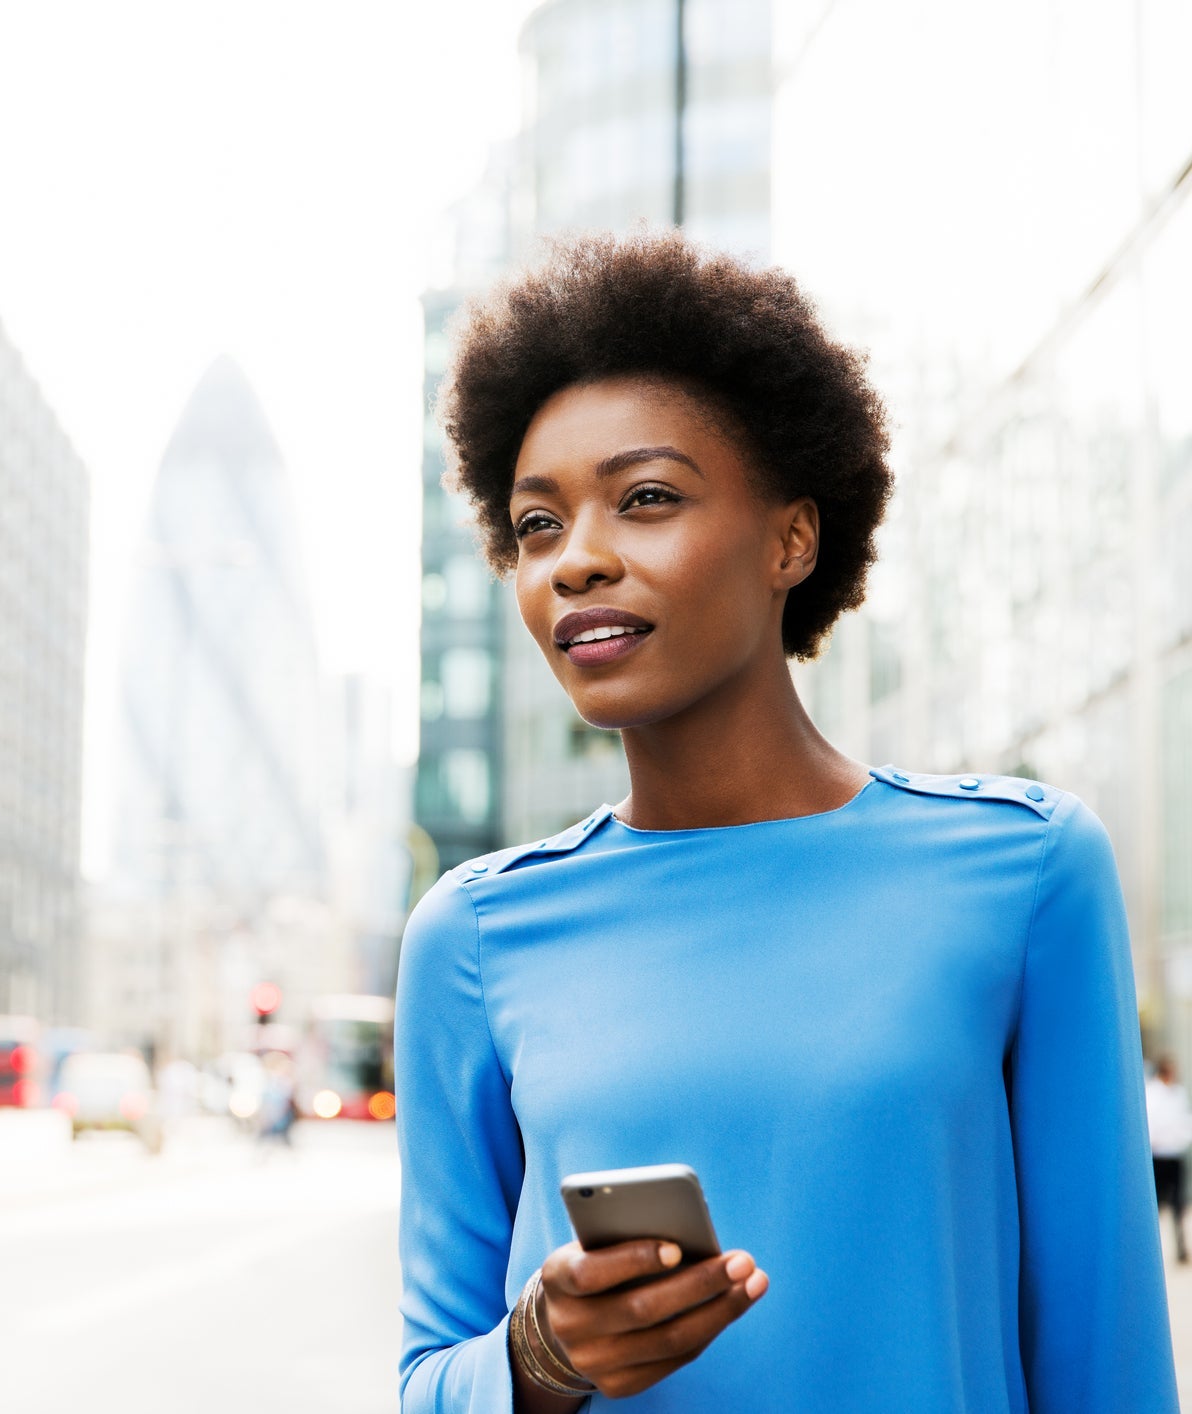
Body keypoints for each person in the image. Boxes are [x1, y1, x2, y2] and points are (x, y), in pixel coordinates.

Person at [396, 230, 1173, 1411]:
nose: (576, 561)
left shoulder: (1021, 871)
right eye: (538, 523)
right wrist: (541, 1355)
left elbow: (1104, 1361)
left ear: (789, 538)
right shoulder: (473, 931)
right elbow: (423, 1381)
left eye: (644, 498)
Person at [1147, 1055, 1191, 1263]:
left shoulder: (1178, 1093)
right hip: (1158, 1156)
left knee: (1178, 1204)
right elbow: (1152, 1123)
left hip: (1174, 1154)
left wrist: (1181, 1137)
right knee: (1154, 1205)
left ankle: (1181, 1248)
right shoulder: (1151, 1093)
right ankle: (1150, 1250)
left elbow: (1183, 1120)